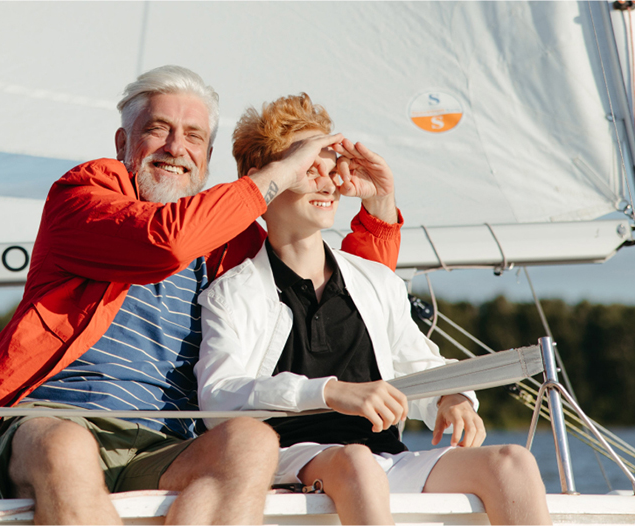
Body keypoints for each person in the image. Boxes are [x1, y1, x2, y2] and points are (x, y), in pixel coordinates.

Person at [0, 66, 403, 524]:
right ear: (122, 144)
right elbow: (165, 241)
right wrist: (283, 168)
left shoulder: (227, 240)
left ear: (208, 156)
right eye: (158, 130)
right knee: (67, 448)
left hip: (167, 444)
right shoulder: (81, 196)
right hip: (53, 422)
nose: (176, 148)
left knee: (252, 441)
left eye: (193, 136)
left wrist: (378, 207)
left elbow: (336, 290)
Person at [196, 93, 552, 525]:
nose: (328, 184)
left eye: (331, 169)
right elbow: (217, 399)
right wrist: (328, 392)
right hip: (289, 461)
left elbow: (418, 366)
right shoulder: (232, 293)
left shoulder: (376, 282)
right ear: (265, 180)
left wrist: (450, 397)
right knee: (357, 463)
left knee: (512, 462)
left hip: (383, 459)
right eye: (310, 169)